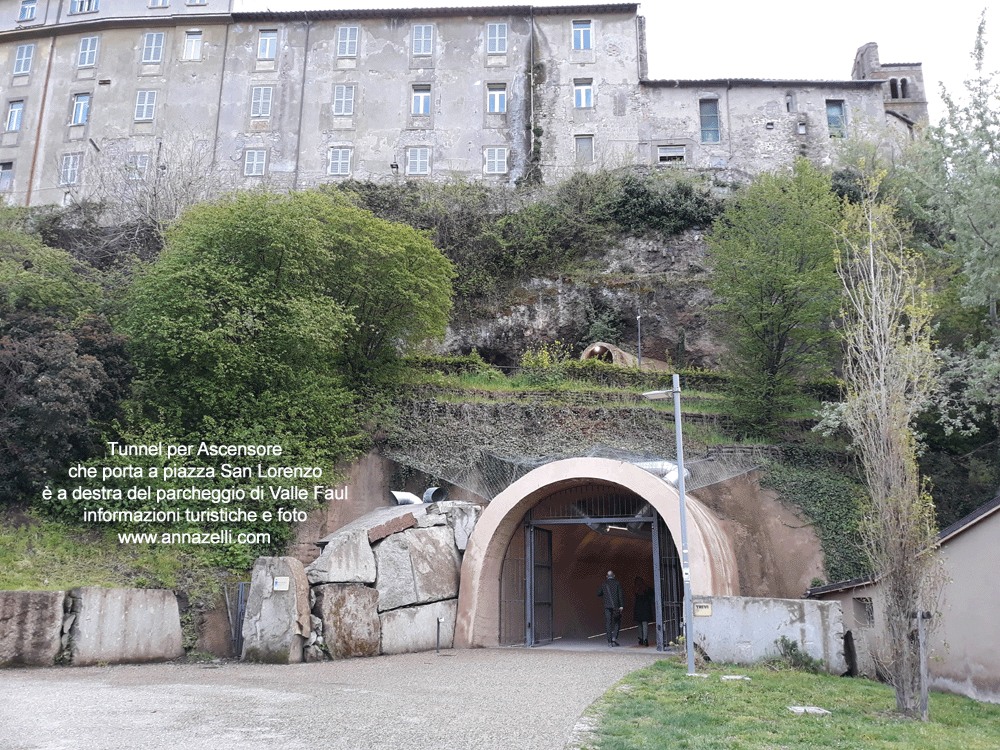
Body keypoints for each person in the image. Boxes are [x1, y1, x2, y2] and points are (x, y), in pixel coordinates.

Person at [596, 570, 624, 646]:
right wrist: (621, 605)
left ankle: (609, 642)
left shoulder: (604, 584)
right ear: (614, 576)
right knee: (617, 621)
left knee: (608, 623)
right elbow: (620, 595)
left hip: (607, 606)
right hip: (616, 606)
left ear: (606, 576)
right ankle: (614, 638)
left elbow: (598, 593)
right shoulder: (617, 583)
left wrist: (605, 596)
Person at [633, 576, 654, 647]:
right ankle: (645, 639)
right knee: (645, 624)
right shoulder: (646, 588)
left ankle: (641, 639)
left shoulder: (636, 589)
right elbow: (652, 595)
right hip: (645, 607)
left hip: (638, 607)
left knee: (639, 624)